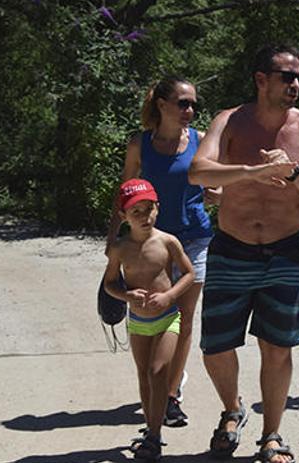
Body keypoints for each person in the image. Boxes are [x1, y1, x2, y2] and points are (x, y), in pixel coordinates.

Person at [188, 43, 299, 463]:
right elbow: (199, 170)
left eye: (298, 78)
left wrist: (293, 174)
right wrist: (254, 172)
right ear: (261, 80)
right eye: (286, 76)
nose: (294, 84)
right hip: (232, 248)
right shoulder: (230, 121)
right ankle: (233, 409)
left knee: (277, 347)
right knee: (215, 347)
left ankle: (272, 434)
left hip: (287, 252)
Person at [106, 76, 218, 428]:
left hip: (194, 238)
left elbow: (213, 187)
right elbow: (123, 191)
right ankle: (156, 382)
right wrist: (113, 236)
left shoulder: (199, 140)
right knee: (151, 314)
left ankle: (170, 395)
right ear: (162, 105)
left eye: (193, 105)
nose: (190, 110)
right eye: (183, 103)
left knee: (183, 320)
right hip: (149, 243)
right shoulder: (140, 144)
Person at [103, 179, 195, 461]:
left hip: (168, 318)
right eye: (136, 212)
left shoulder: (168, 241)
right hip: (138, 320)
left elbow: (189, 274)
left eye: (148, 209)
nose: (144, 217)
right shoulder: (119, 249)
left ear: (158, 207)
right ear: (123, 216)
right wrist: (127, 295)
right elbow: (109, 285)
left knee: (158, 372)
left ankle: (154, 436)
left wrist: (169, 297)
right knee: (144, 374)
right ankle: (150, 428)